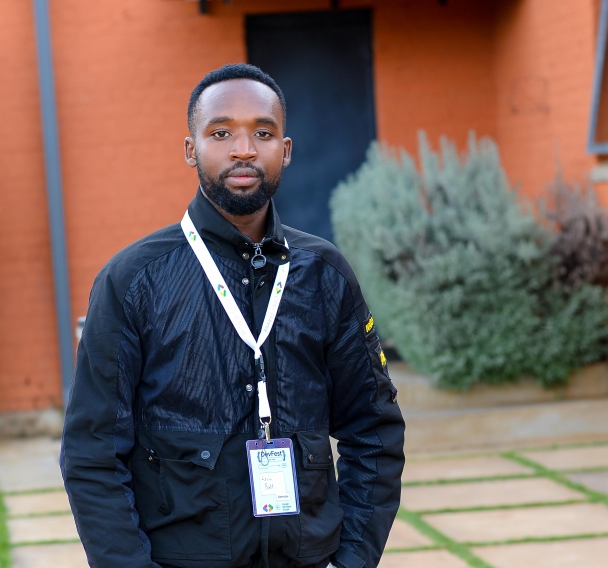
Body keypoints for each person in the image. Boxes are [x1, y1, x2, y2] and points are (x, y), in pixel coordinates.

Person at [61, 63, 405, 568]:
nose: (244, 149)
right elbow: (92, 455)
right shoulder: (132, 281)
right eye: (221, 133)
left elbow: (374, 430)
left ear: (285, 149)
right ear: (191, 148)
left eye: (263, 133)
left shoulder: (324, 274)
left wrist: (352, 559)